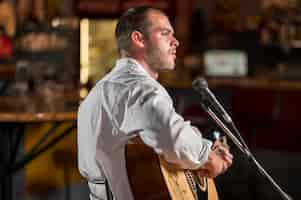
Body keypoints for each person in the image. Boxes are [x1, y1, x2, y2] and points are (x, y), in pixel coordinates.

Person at [77, 6, 233, 200]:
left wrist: (204, 147)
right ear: (139, 39)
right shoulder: (139, 88)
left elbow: (164, 134)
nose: (175, 42)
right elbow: (173, 138)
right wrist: (209, 157)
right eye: (165, 33)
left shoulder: (100, 90)